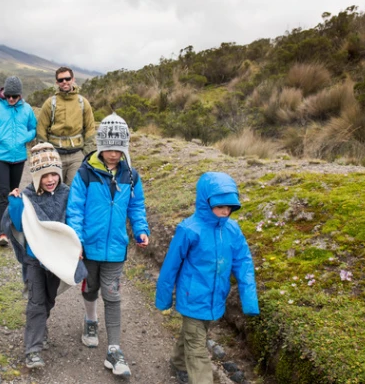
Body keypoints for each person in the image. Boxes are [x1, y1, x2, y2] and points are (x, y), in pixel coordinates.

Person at [66, 113, 150, 377]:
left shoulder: (131, 176)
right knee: (90, 288)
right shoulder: (84, 173)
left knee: (113, 296)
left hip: (116, 249)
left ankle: (114, 349)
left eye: (119, 148)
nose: (113, 154)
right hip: (88, 247)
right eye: (109, 148)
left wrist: (141, 230)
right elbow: (75, 209)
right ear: (101, 146)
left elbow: (136, 207)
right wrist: (77, 240)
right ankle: (91, 321)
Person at [155, 172, 259, 384]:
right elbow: (171, 266)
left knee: (194, 334)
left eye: (229, 207)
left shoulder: (232, 229)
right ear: (205, 201)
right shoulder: (189, 229)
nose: (225, 211)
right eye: (220, 206)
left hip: (216, 298)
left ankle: (177, 361)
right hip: (192, 298)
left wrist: (249, 300)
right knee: (197, 348)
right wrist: (164, 298)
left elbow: (244, 263)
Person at [3, 143, 71, 369]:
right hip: (35, 258)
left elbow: (73, 222)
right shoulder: (27, 196)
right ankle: (32, 350)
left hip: (56, 260)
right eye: (44, 175)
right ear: (36, 177)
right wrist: (14, 202)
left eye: (54, 174)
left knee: (49, 299)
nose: (50, 179)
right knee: (36, 302)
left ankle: (41, 326)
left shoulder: (67, 194)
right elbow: (18, 224)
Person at [0, 76, 37, 246]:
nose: (11, 99)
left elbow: (33, 128)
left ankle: (14, 227)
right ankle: (2, 232)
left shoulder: (27, 109)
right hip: (0, 157)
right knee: (3, 194)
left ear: (20, 95)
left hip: (19, 158)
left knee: (14, 193)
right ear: (4, 93)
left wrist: (23, 138)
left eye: (15, 96)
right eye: (8, 95)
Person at [36, 66, 96, 186]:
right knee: (54, 190)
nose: (64, 82)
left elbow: (90, 128)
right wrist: (45, 154)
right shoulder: (50, 103)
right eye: (61, 80)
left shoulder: (83, 103)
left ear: (73, 79)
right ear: (57, 82)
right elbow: (41, 129)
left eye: (67, 78)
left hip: (77, 155)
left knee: (74, 190)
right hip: (55, 154)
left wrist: (87, 153)